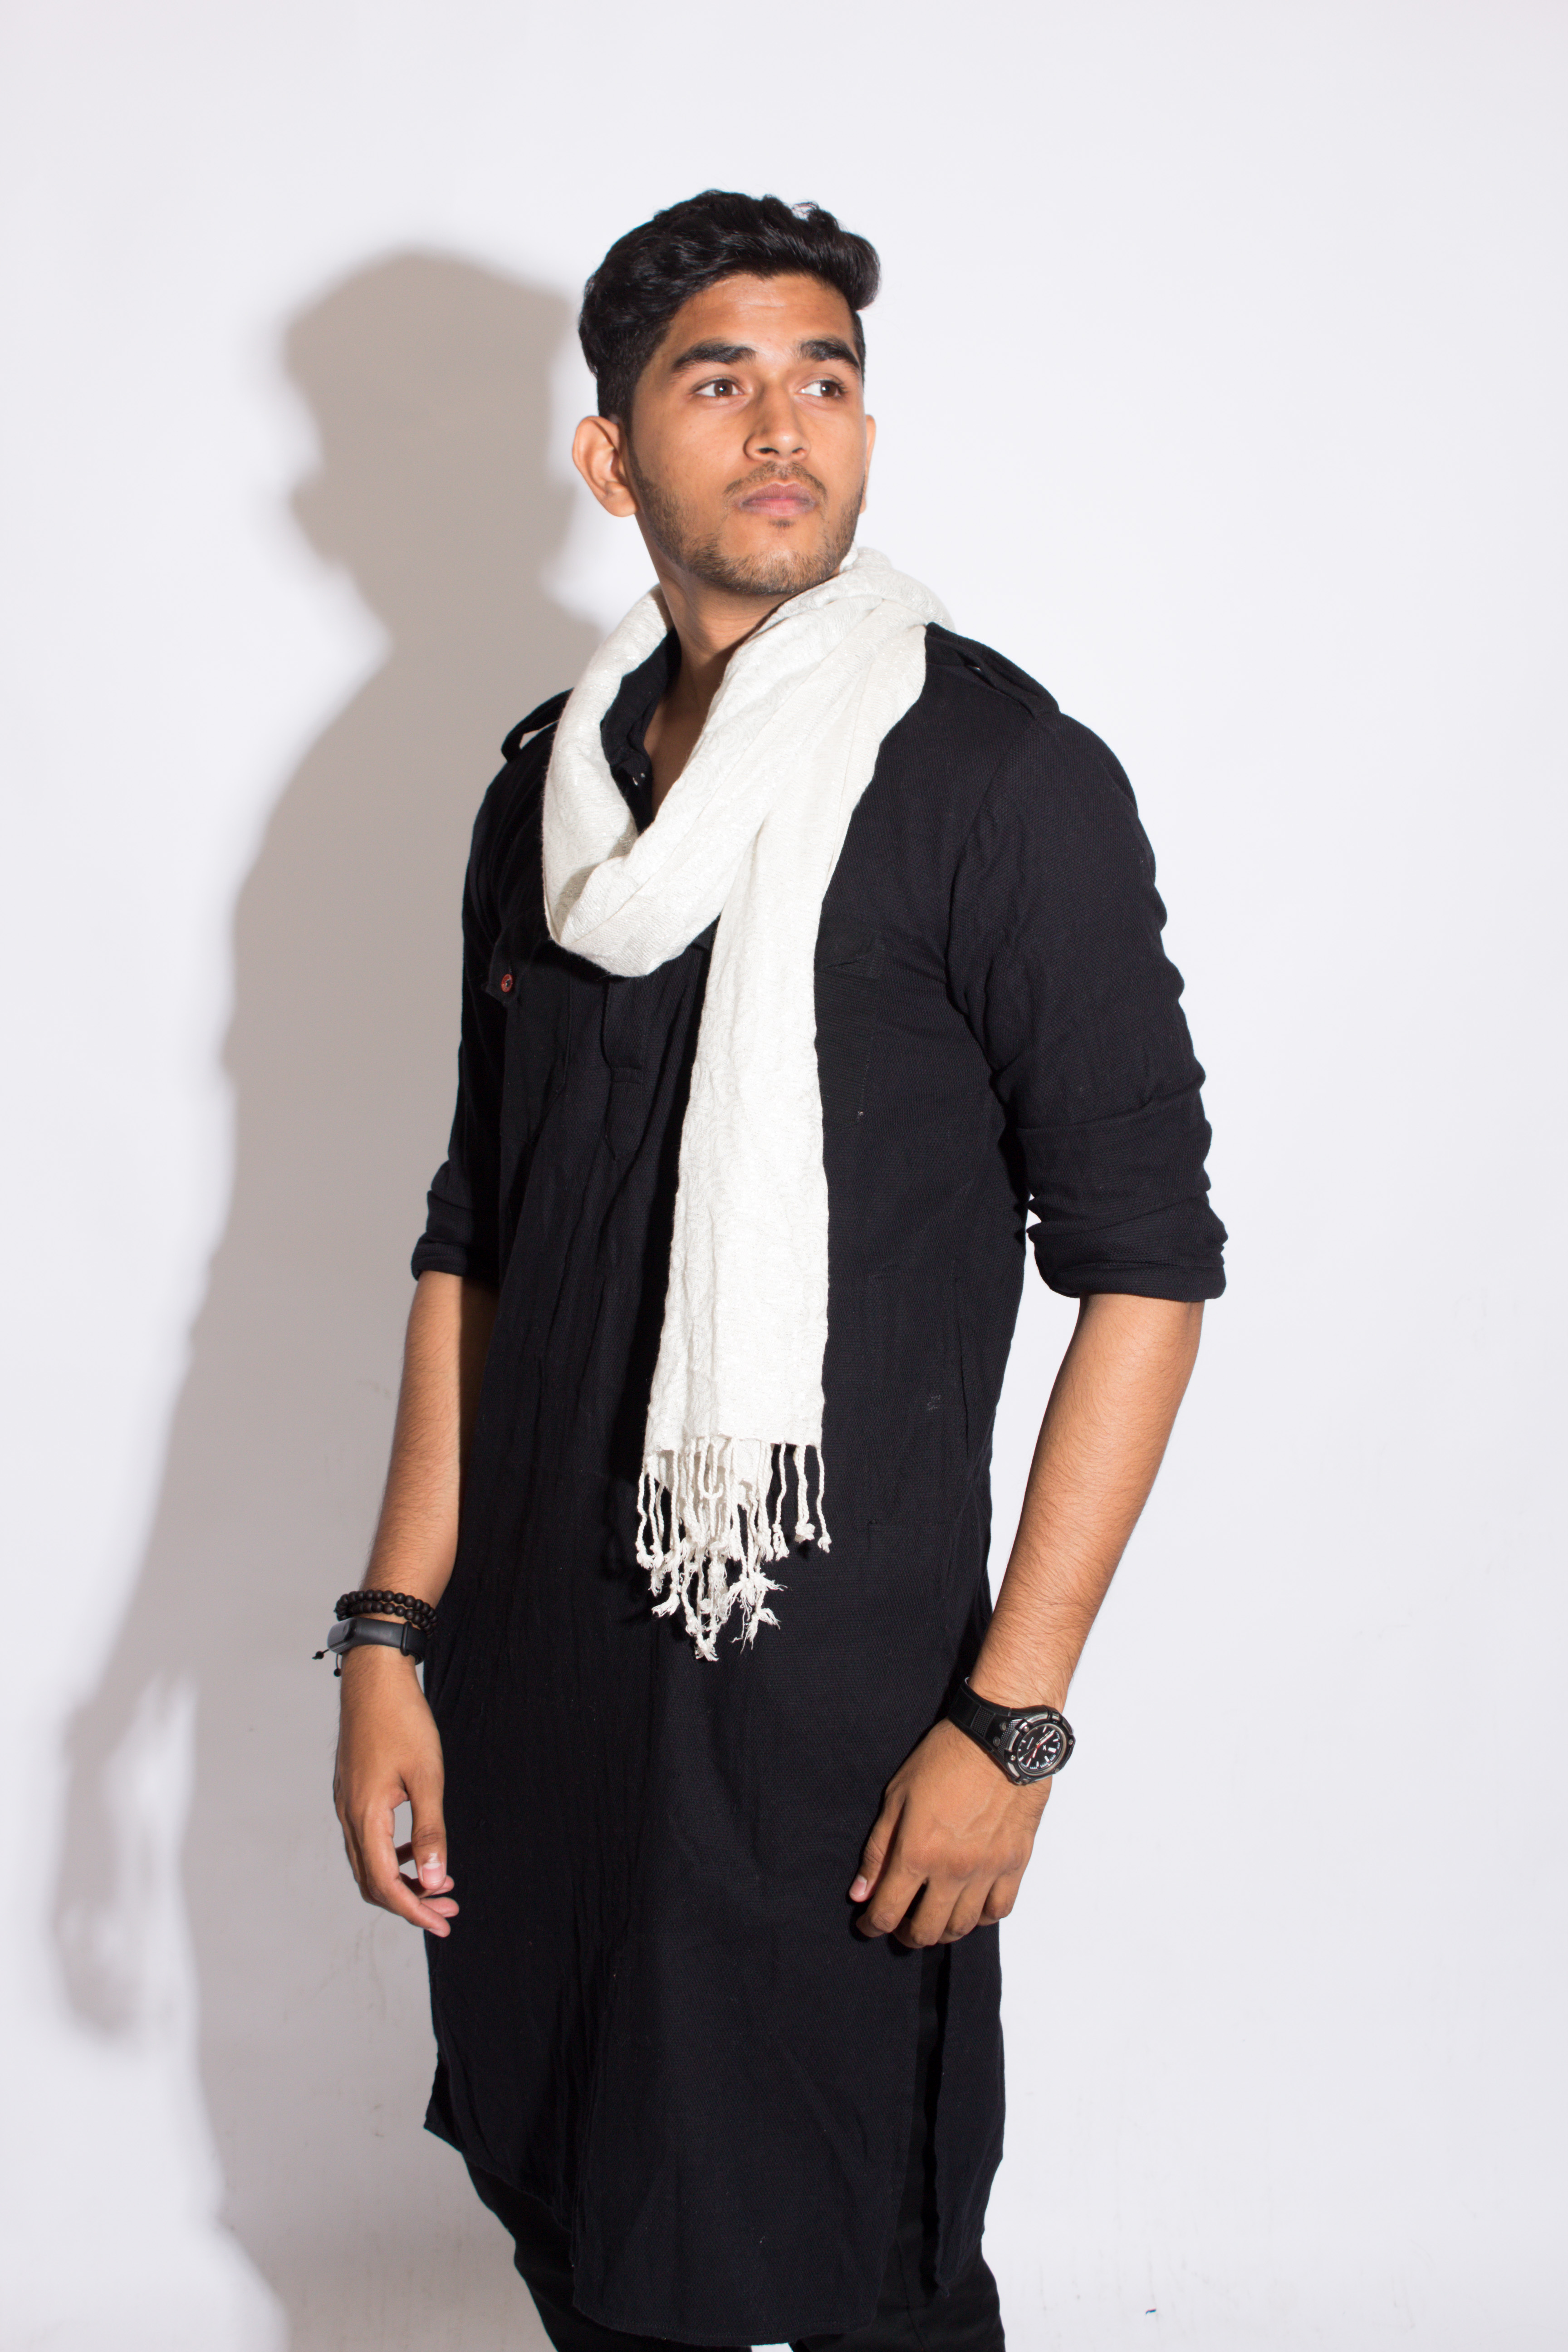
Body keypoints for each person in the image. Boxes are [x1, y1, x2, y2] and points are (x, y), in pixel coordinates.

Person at [327, 190, 1225, 2352]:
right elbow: (478, 1229)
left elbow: (1147, 1264)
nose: (783, 424)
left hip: (829, 1701)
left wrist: (1012, 1719)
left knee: (861, 2270)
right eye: (717, 380)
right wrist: (388, 1636)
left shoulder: (1001, 781)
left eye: (824, 376)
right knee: (580, 2235)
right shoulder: (549, 797)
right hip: (542, 1692)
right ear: (610, 456)